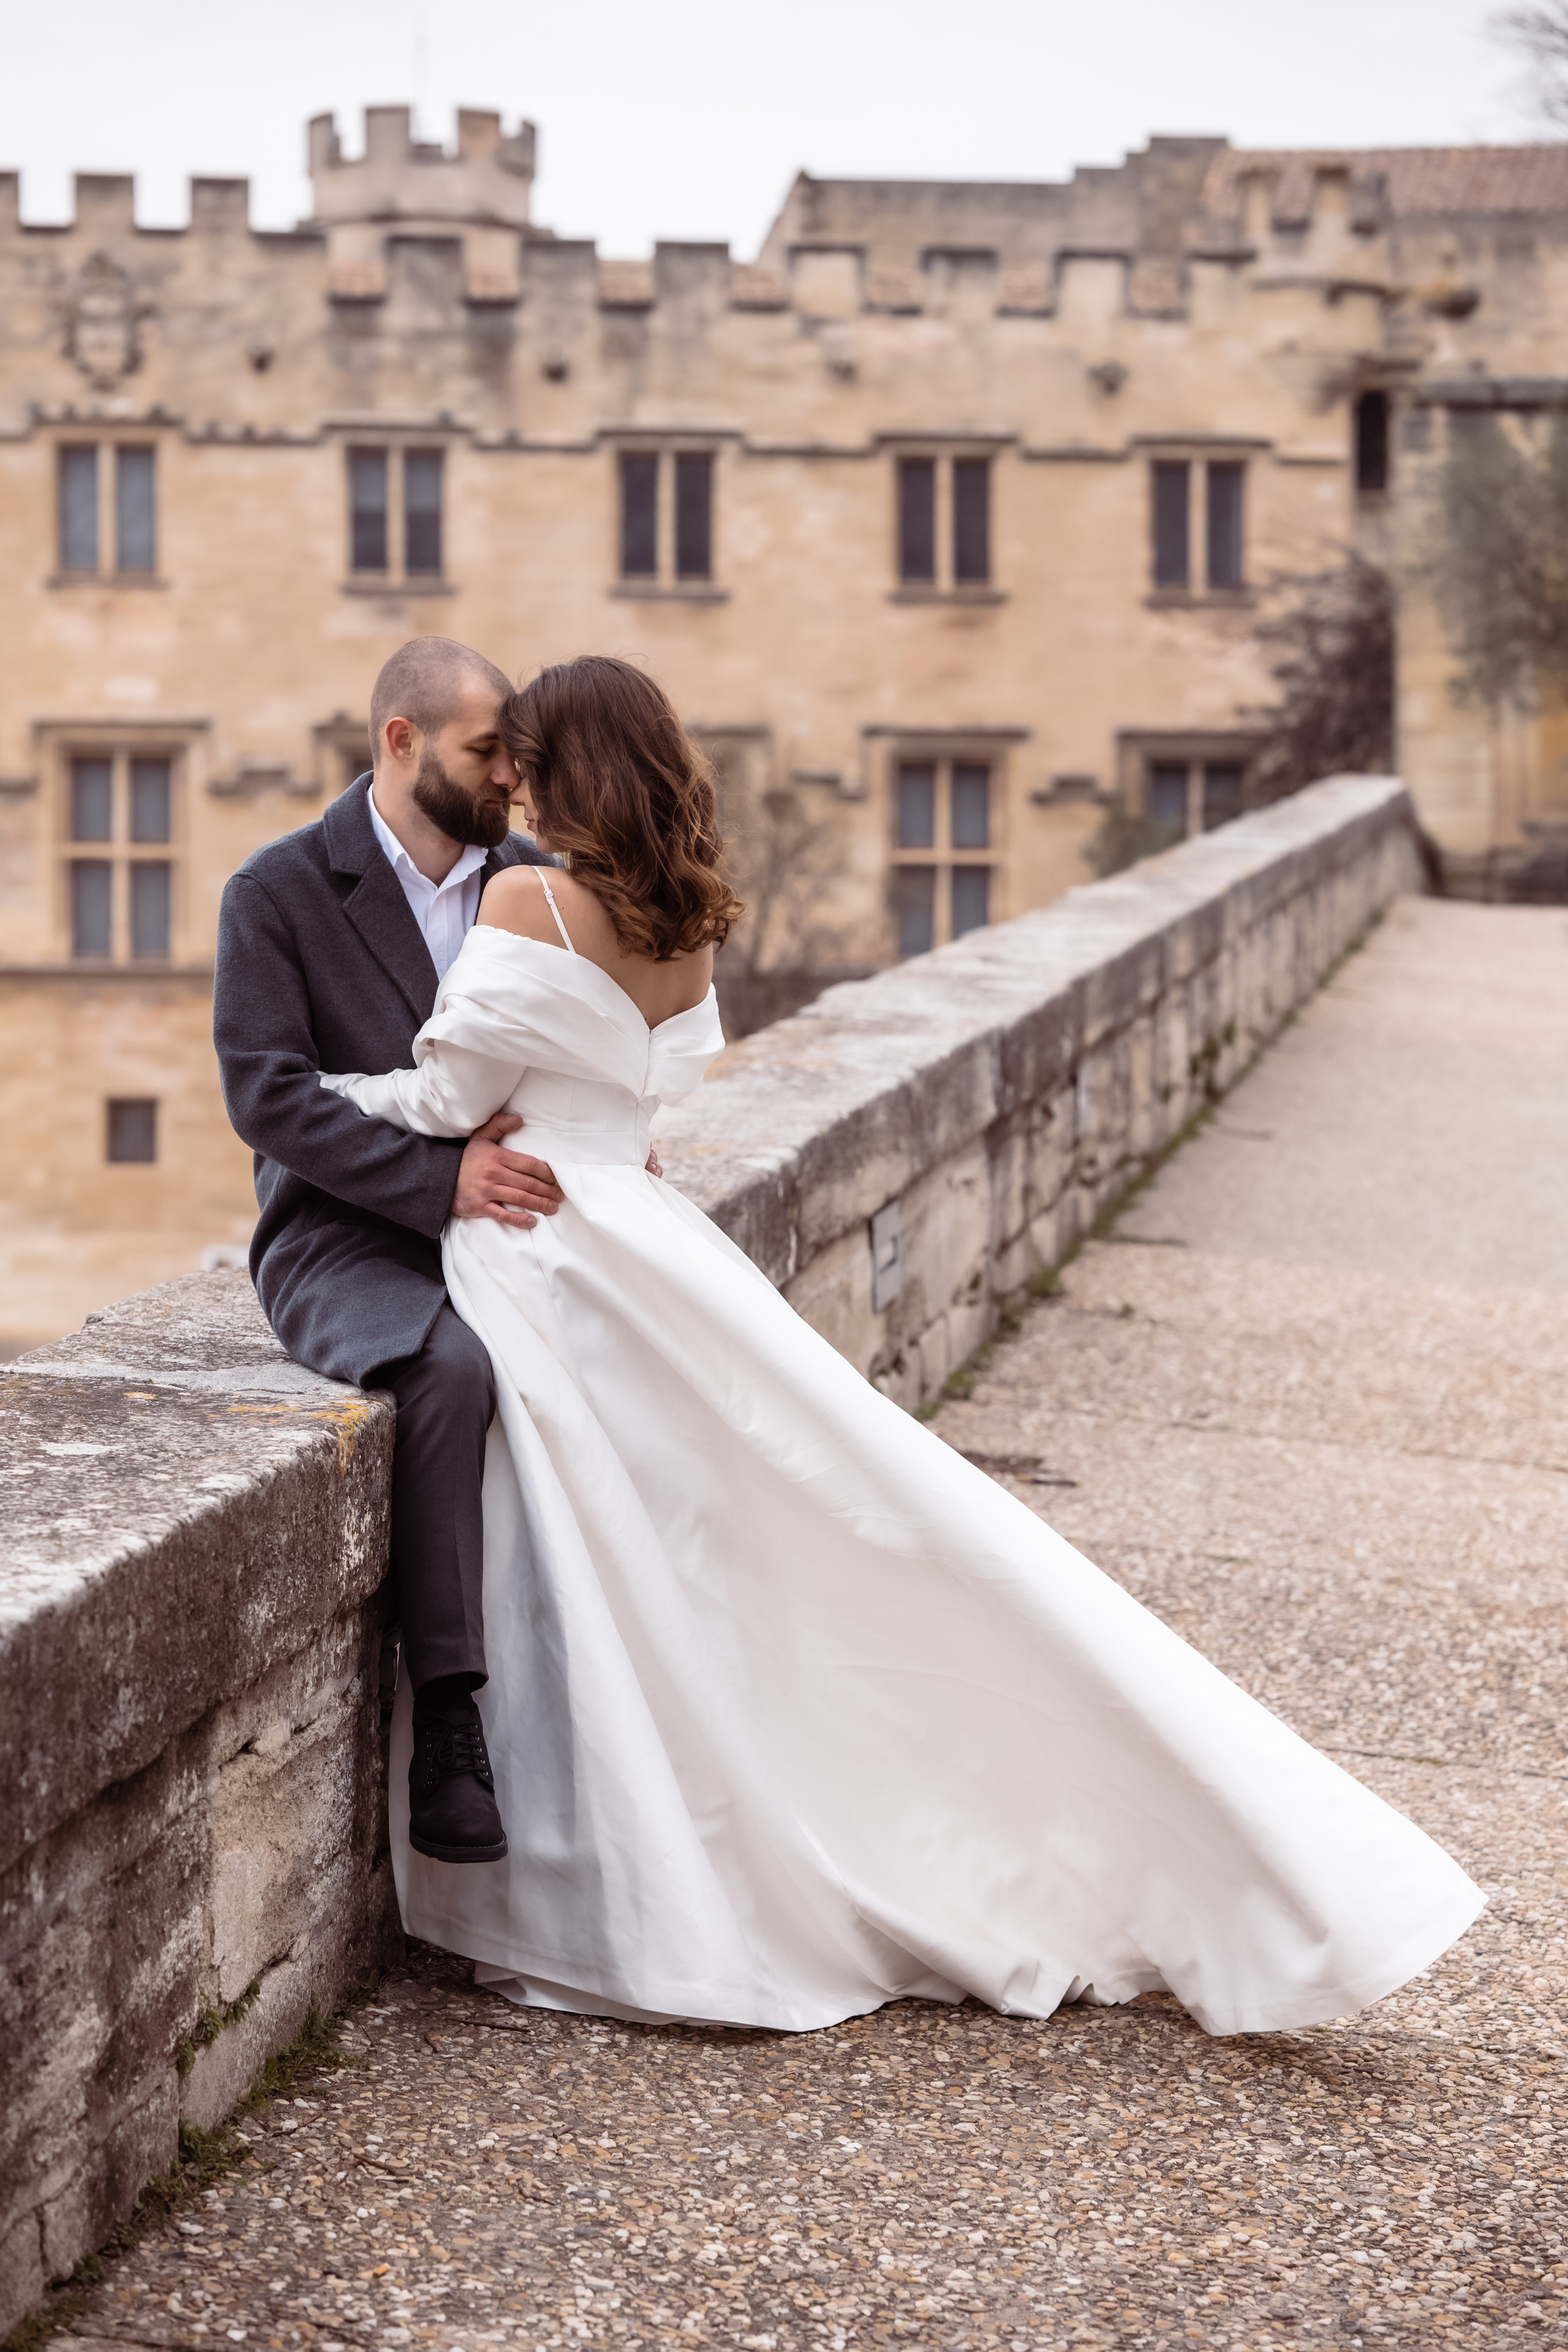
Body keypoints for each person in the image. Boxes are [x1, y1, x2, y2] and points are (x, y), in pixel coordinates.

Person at [317, 652, 1483, 2036]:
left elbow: (446, 1099)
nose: (510, 780)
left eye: (527, 756)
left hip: (550, 1249)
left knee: (604, 1566)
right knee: (720, 1551)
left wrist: (309, 1097)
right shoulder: (683, 923)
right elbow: (634, 1102)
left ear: (572, 765)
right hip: (650, 1242)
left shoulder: (527, 900)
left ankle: (626, 1870)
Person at [214, 636, 584, 1867]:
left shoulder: (531, 879)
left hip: (522, 1212)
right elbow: (268, 1098)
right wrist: (439, 1182)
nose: (511, 778)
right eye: (487, 753)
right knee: (451, 1371)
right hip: (340, 1232)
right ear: (401, 741)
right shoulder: (275, 891)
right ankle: (453, 1729)